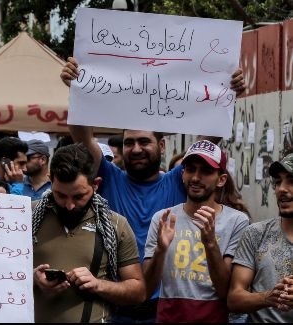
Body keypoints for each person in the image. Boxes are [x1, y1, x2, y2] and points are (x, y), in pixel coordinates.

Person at [61, 56, 246, 323]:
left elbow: (209, 139)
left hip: (164, 307)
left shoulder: (177, 180)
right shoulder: (110, 177)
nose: (136, 149)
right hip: (116, 304)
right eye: (129, 142)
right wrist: (75, 89)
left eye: (144, 141)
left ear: (161, 147)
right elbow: (82, 135)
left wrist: (229, 92)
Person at [32, 143, 145, 322]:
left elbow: (138, 292)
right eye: (60, 195)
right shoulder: (25, 217)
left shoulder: (116, 225)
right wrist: (32, 279)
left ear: (96, 184)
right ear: (50, 180)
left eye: (78, 196)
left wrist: (98, 284)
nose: (69, 205)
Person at [143, 140, 249, 322]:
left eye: (206, 171)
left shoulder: (237, 221)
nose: (195, 178)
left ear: (221, 179)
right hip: (169, 317)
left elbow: (225, 290)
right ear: (182, 174)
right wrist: (160, 251)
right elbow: (147, 289)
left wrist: (210, 243)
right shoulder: (163, 218)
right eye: (191, 169)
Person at [228, 152, 293, 322]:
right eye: (278, 182)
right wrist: (267, 297)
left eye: (291, 181)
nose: (281, 189)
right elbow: (234, 299)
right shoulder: (255, 233)